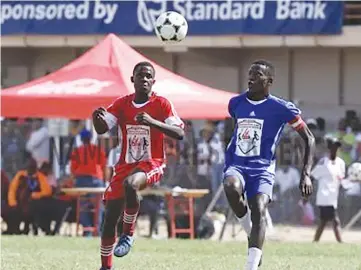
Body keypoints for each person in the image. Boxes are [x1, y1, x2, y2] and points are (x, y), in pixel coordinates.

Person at [223, 60, 315, 270]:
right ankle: (251, 233)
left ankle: (252, 265)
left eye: (257, 75)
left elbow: (309, 138)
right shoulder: (235, 103)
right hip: (237, 164)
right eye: (250, 74)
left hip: (263, 168)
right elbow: (233, 130)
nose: (251, 78)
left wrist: (306, 173)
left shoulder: (281, 108)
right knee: (231, 188)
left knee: (259, 209)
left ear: (269, 81)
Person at [92, 61, 184, 270]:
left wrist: (153, 122)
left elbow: (179, 133)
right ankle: (106, 267)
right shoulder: (122, 104)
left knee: (131, 184)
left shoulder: (161, 104)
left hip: (152, 162)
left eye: (148, 76)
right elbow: (102, 128)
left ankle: (128, 234)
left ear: (153, 81)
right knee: (109, 221)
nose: (144, 79)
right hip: (125, 165)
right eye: (140, 75)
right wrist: (96, 119)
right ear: (132, 80)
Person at [311, 137, 345, 243]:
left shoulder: (341, 163)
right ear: (329, 147)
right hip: (324, 196)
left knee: (323, 222)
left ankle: (315, 241)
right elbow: (312, 176)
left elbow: (341, 179)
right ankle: (341, 243)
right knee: (335, 221)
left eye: (337, 147)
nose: (335, 149)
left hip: (333, 196)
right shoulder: (323, 162)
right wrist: (306, 194)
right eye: (334, 146)